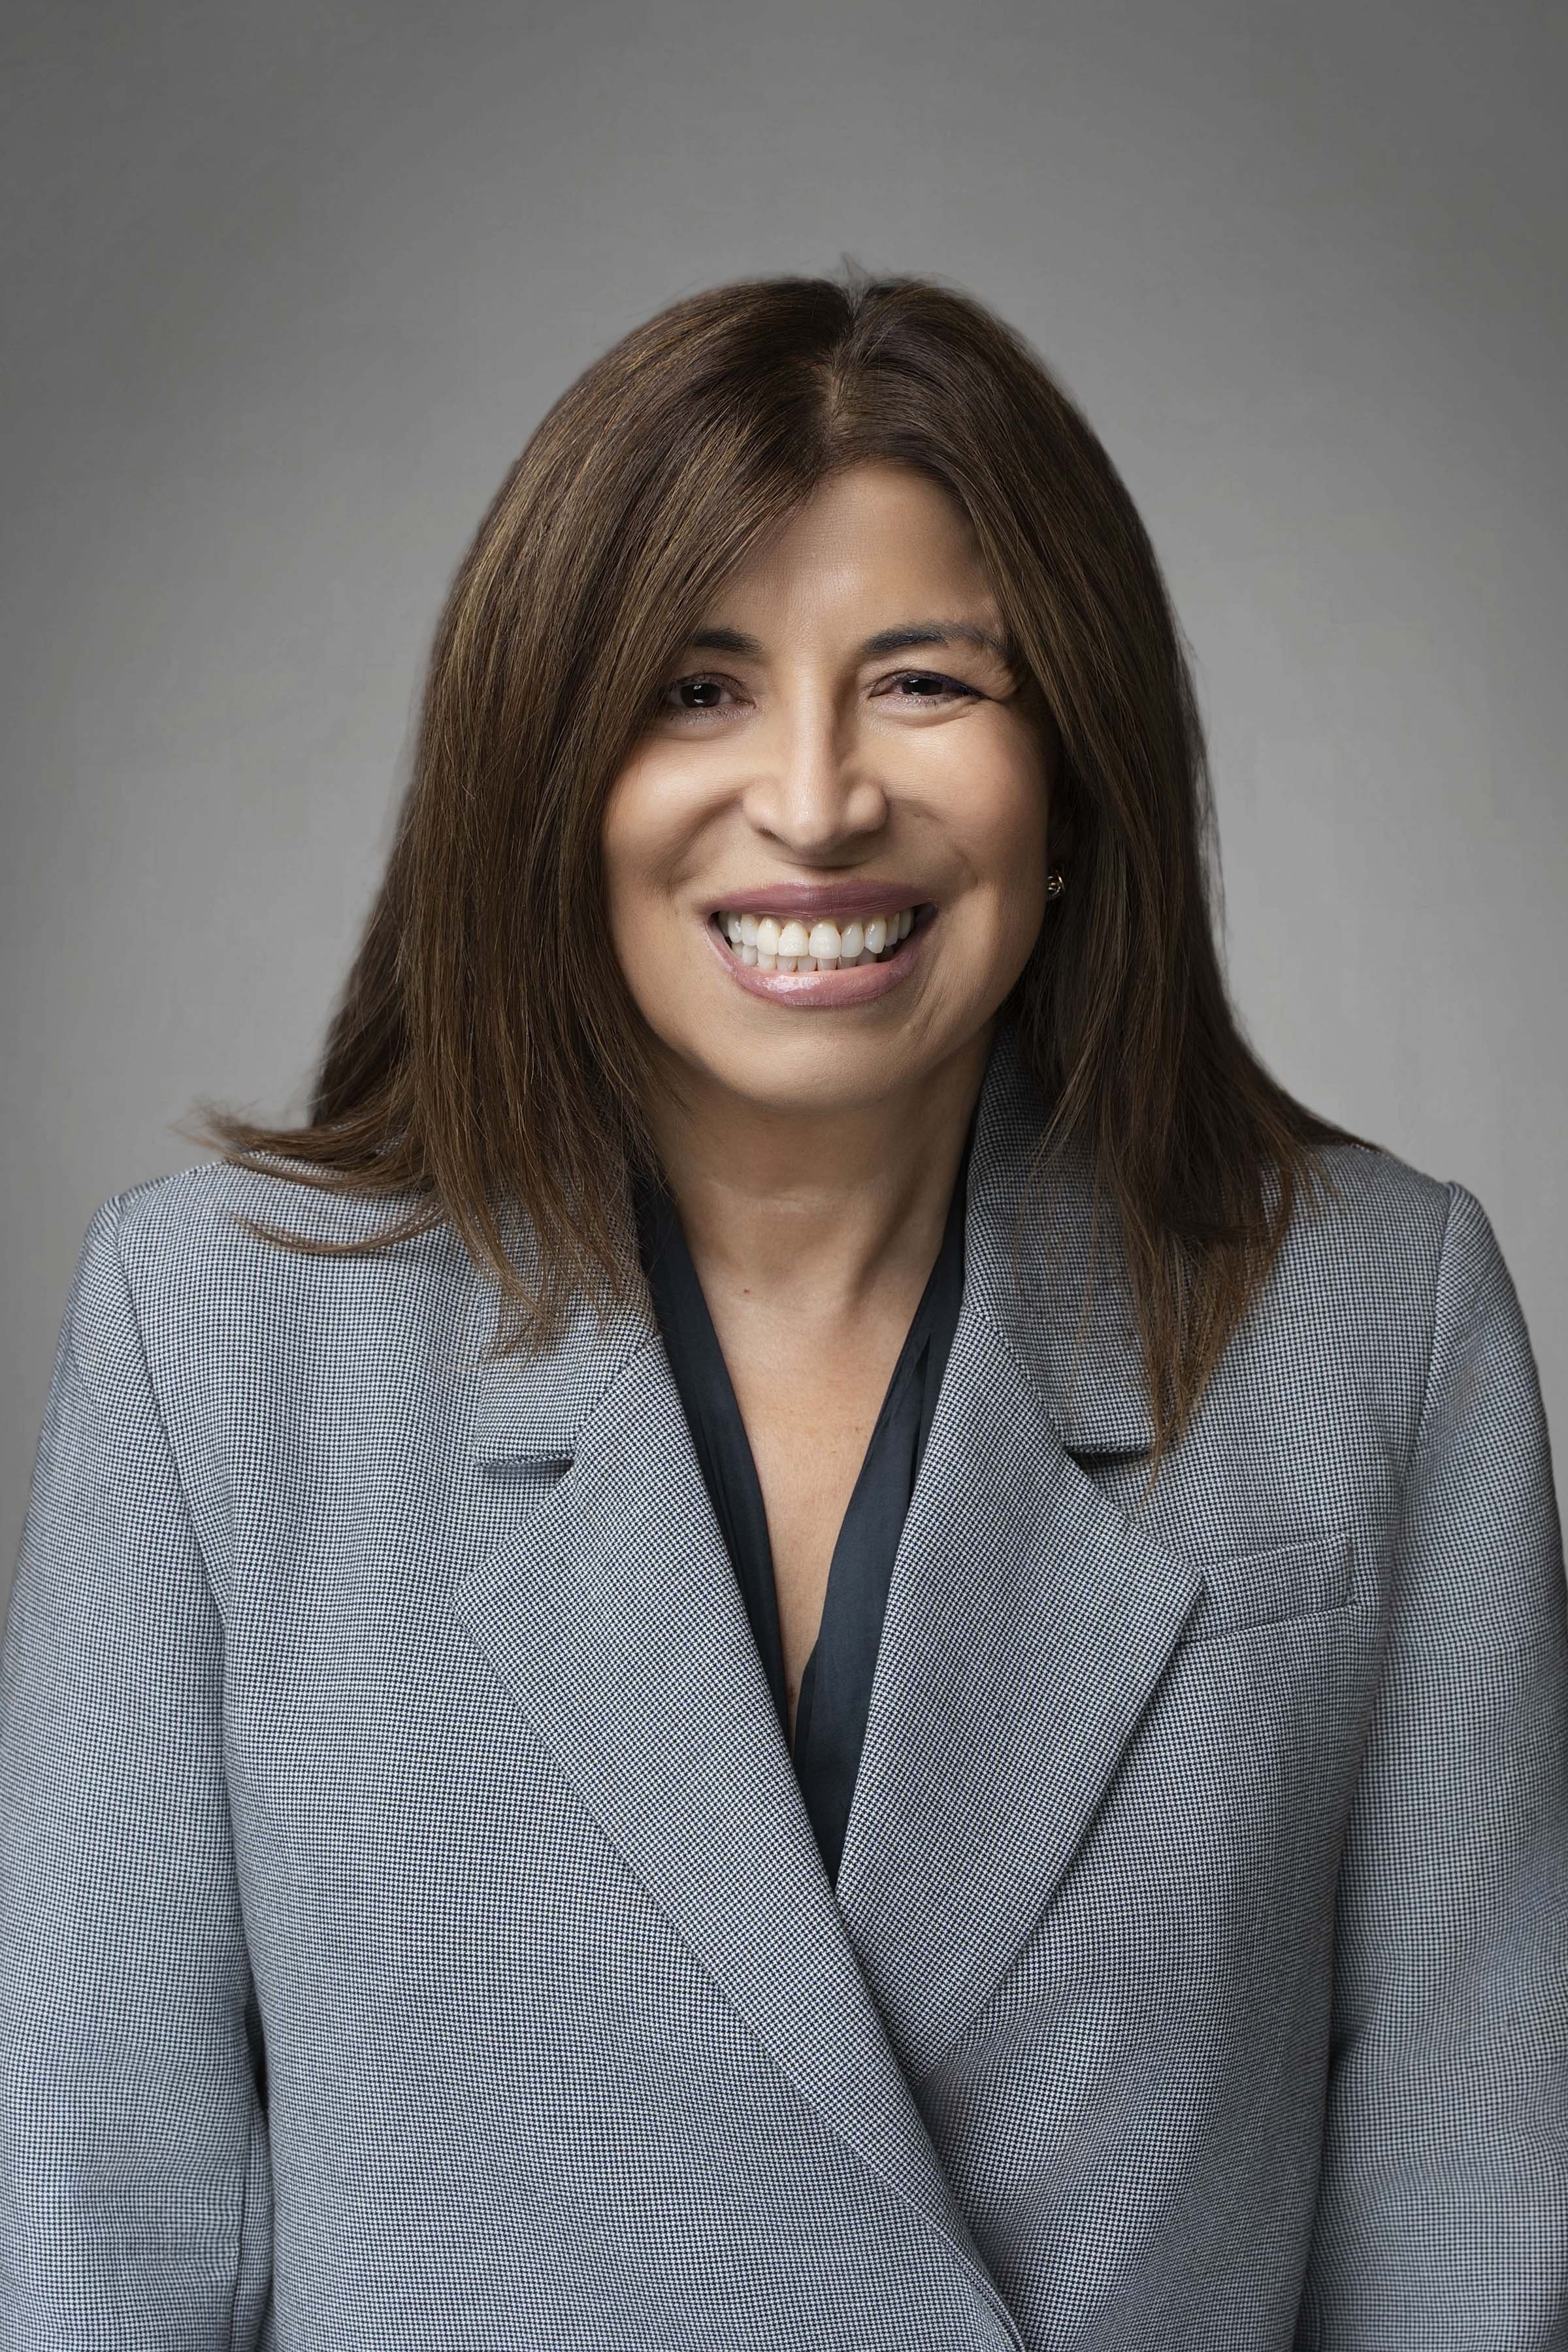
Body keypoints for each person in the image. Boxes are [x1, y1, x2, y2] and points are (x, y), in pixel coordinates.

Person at [3, 267, 1563, 2351]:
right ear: (545, 772)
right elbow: (95, 2234)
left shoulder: (1379, 1325)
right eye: (697, 688)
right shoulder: (216, 1341)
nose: (819, 802)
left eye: (925, 683)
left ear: (1077, 772)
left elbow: (1471, 2235)